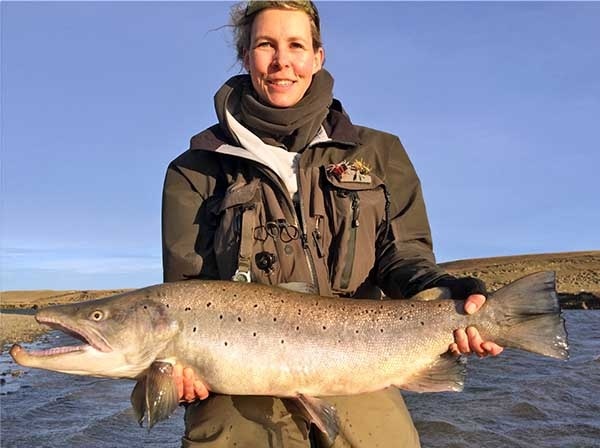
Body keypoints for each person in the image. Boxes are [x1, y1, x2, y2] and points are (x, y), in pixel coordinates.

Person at [161, 1, 502, 447]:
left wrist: (451, 297)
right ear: (246, 56)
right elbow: (186, 293)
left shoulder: (380, 153)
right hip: (238, 376)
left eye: (296, 45)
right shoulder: (194, 169)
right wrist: (179, 371)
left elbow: (404, 257)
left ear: (318, 56)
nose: (282, 61)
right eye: (266, 45)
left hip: (357, 357)